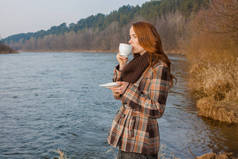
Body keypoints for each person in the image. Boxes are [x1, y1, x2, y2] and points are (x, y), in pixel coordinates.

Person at [107, 21, 174, 159]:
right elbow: (122, 94)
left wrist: (127, 90)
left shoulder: (159, 67)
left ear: (145, 38)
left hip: (140, 141)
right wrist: (122, 66)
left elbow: (157, 109)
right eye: (129, 36)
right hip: (126, 137)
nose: (129, 41)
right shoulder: (137, 63)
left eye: (133, 36)